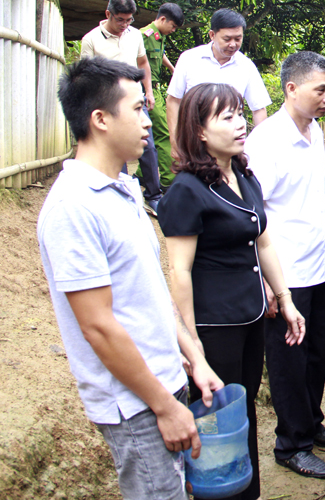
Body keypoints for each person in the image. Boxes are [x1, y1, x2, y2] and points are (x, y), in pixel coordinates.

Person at [38, 56, 223, 500]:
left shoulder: (123, 188)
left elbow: (150, 291)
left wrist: (193, 358)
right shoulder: (73, 208)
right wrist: (162, 405)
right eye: (138, 109)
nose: (149, 120)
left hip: (165, 383)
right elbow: (98, 326)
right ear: (100, 119)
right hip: (136, 405)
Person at [159, 83, 306, 500]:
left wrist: (286, 299)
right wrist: (192, 346)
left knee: (241, 414)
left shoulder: (242, 173)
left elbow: (264, 241)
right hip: (213, 325)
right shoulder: (187, 190)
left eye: (241, 113)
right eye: (227, 117)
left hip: (250, 317)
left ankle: (247, 490)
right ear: (200, 131)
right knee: (217, 422)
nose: (241, 123)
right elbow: (179, 271)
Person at [244, 51, 325, 480]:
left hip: (314, 266)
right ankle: (291, 444)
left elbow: (317, 197)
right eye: (320, 89)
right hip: (282, 274)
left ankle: (312, 423)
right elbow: (253, 217)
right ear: (291, 89)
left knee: (315, 354)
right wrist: (267, 282)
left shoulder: (316, 133)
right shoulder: (265, 142)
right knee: (288, 362)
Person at [81, 0, 163, 216]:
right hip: (108, 102)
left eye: (129, 20)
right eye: (120, 20)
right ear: (108, 14)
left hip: (136, 99)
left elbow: (143, 62)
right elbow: (86, 75)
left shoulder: (135, 35)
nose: (124, 25)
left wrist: (148, 91)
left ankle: (154, 195)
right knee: (117, 148)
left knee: (148, 145)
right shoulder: (90, 40)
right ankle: (122, 194)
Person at [166, 8, 271, 162]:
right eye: (227, 39)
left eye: (238, 39)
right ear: (212, 35)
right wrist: (175, 141)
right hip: (194, 143)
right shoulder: (189, 59)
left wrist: (261, 147)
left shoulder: (246, 66)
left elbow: (259, 109)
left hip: (230, 147)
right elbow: (173, 101)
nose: (233, 45)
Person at [140, 2, 184, 191]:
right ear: (163, 19)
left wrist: (173, 69)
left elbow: (161, 54)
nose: (173, 30)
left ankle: (142, 174)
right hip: (145, 90)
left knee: (148, 134)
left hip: (155, 89)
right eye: (173, 26)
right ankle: (168, 180)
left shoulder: (159, 37)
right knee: (164, 132)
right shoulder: (143, 36)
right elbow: (140, 61)